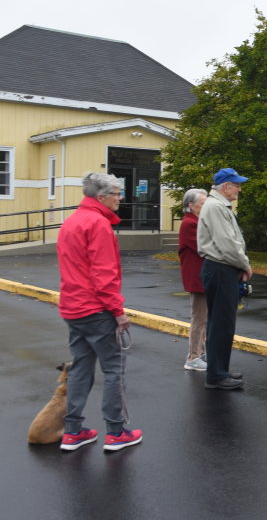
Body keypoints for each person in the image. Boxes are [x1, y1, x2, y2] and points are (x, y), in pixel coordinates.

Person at [57, 172, 142, 451]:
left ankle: (72, 430)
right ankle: (116, 432)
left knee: (81, 367)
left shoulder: (71, 221)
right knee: (114, 370)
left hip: (73, 306)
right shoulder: (98, 224)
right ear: (101, 197)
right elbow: (103, 274)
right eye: (117, 193)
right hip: (96, 309)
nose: (121, 197)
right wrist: (118, 311)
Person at [197, 168, 252, 390]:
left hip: (221, 268)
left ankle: (219, 370)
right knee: (222, 323)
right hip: (220, 268)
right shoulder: (216, 206)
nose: (240, 188)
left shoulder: (217, 205)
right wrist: (245, 265)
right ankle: (217, 375)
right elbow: (227, 243)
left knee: (221, 322)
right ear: (226, 186)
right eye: (237, 184)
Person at [179, 188, 208, 370]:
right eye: (202, 204)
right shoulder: (190, 224)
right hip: (197, 277)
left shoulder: (196, 221)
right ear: (191, 205)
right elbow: (204, 246)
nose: (206, 207)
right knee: (199, 318)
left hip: (201, 276)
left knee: (203, 317)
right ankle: (193, 357)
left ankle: (200, 352)